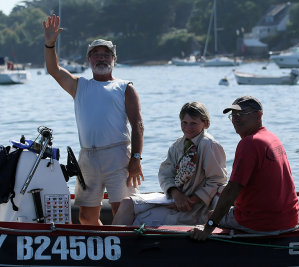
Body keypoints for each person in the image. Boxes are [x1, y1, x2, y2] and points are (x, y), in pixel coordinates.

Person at [43, 14, 144, 225]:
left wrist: (136, 159)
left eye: (106, 55)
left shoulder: (125, 87)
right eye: (96, 54)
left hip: (118, 156)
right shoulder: (79, 85)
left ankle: (125, 252)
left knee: (122, 212)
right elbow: (54, 70)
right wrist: (50, 44)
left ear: (114, 59)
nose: (101, 58)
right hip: (88, 157)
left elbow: (138, 126)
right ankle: (101, 250)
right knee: (86, 217)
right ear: (89, 60)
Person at [190, 96, 299, 240]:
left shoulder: (249, 144)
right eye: (233, 115)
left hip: (262, 223)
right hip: (289, 219)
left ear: (258, 115)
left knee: (209, 215)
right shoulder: (272, 138)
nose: (236, 119)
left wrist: (208, 227)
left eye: (241, 114)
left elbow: (231, 191)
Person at [112, 102, 227, 226]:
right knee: (127, 203)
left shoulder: (209, 145)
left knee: (139, 219)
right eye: (184, 123)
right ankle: (111, 241)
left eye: (193, 123)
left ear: (205, 123)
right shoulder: (178, 145)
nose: (188, 127)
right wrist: (175, 193)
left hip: (196, 208)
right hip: (175, 198)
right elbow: (165, 173)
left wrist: (189, 201)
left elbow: (217, 180)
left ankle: (120, 241)